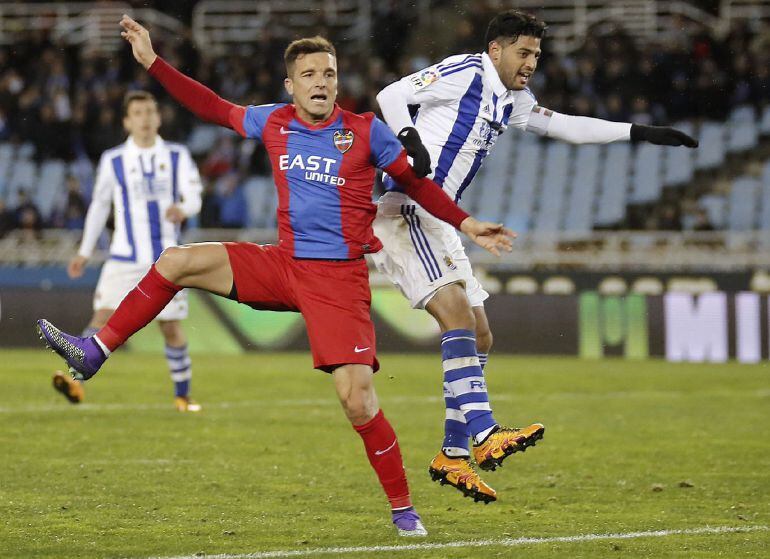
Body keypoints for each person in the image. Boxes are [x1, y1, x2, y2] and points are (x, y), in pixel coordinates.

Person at [37, 15, 515, 536]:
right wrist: (153, 62)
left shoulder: (365, 131)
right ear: (291, 85)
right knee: (176, 260)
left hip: (338, 282)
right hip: (284, 266)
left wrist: (467, 223)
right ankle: (95, 351)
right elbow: (211, 107)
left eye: (328, 74)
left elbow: (416, 185)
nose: (321, 83)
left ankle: (403, 509)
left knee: (357, 401)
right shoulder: (273, 121)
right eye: (309, 75)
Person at [374, 9, 698, 503]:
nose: (531, 63)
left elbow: (564, 125)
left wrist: (638, 133)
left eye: (537, 55)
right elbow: (390, 95)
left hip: (441, 219)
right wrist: (408, 139)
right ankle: (485, 432)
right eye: (524, 53)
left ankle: (453, 456)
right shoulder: (465, 71)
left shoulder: (513, 100)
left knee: (481, 333)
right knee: (458, 315)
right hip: (404, 208)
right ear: (496, 50)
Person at [52, 90, 204, 412]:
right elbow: (99, 205)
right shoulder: (114, 159)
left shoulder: (177, 155)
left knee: (170, 327)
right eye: (138, 113)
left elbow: (194, 194)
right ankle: (75, 381)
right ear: (126, 121)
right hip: (122, 256)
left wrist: (184, 207)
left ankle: (183, 395)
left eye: (150, 112)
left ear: (158, 118)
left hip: (166, 259)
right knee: (102, 316)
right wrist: (85, 250)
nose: (145, 119)